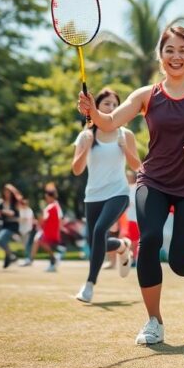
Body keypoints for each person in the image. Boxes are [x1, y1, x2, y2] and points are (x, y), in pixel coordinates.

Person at [81, 25, 184, 344]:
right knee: (149, 240)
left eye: (183, 50)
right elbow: (109, 122)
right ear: (160, 55)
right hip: (154, 180)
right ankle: (154, 321)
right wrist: (93, 111)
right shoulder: (145, 95)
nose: (176, 56)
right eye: (170, 50)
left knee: (181, 263)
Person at [71, 88, 140, 302]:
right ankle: (121, 245)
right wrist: (86, 147)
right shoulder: (85, 136)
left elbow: (138, 166)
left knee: (100, 230)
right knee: (96, 242)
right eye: (106, 104)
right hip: (93, 195)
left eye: (114, 104)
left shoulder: (125, 134)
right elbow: (76, 169)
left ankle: (89, 285)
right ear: (96, 108)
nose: (111, 108)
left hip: (118, 193)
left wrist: (125, 149)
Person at [30, 185, 64, 272]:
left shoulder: (49, 207)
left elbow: (45, 218)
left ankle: (54, 257)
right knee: (40, 241)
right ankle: (54, 258)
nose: (46, 199)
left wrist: (38, 222)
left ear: (49, 197)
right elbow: (60, 219)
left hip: (49, 232)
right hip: (54, 231)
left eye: (46, 197)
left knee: (39, 241)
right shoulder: (57, 205)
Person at [0, 183, 22, 268]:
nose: (7, 194)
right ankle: (9, 258)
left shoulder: (15, 203)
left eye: (9, 192)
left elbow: (15, 214)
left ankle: (12, 256)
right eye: (5, 192)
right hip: (5, 225)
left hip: (13, 226)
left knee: (0, 239)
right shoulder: (1, 202)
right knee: (3, 241)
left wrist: (5, 212)